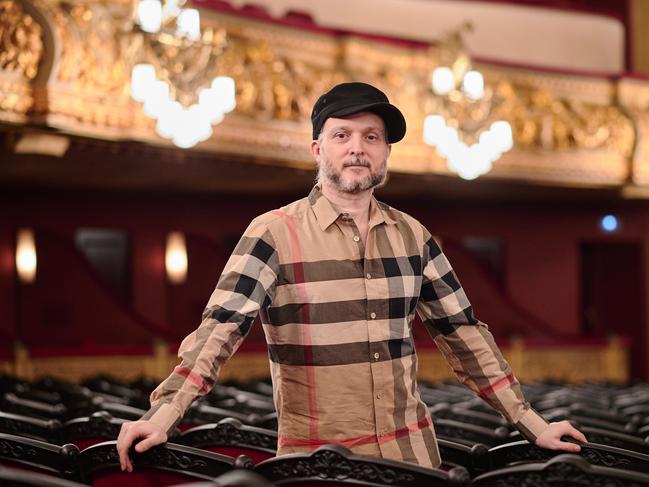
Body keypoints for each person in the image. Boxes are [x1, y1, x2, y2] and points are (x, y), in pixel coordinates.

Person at [117, 81, 586, 471]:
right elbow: (219, 330)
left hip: (413, 458)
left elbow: (462, 333)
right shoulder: (273, 233)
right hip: (319, 465)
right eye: (342, 136)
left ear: (385, 153)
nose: (357, 149)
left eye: (372, 137)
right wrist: (163, 414)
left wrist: (533, 423)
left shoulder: (413, 235)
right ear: (318, 148)